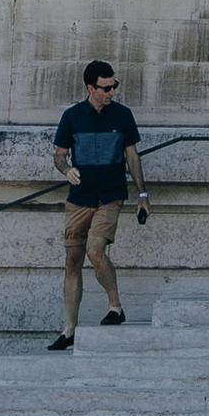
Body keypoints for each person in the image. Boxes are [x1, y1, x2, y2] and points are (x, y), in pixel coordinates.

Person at [50, 59, 145, 348]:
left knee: (95, 249)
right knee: (72, 262)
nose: (112, 91)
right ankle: (69, 329)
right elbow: (59, 155)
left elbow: (132, 157)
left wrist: (143, 195)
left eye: (114, 85)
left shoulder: (123, 115)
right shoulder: (72, 116)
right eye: (106, 87)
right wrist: (66, 170)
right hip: (79, 199)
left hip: (111, 195)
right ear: (91, 88)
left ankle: (115, 307)